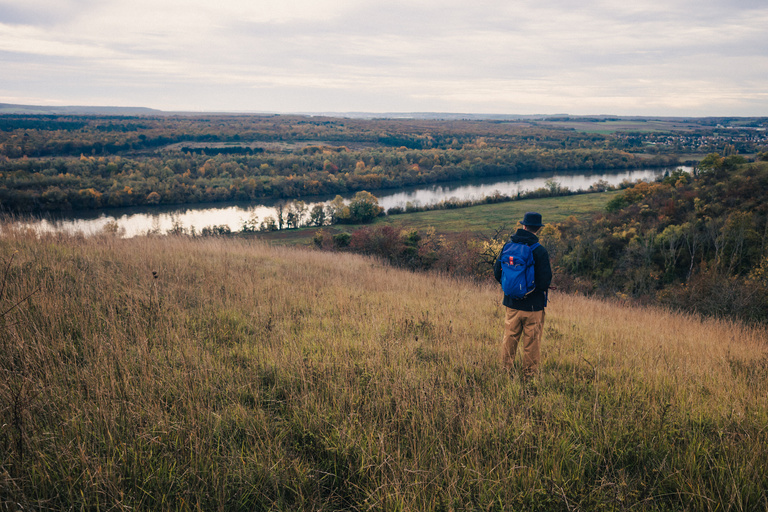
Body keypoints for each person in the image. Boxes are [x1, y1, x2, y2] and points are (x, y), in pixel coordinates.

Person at [493, 212, 552, 377]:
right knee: (531, 343)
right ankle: (528, 376)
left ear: (524, 226)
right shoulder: (539, 251)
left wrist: (513, 289)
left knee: (509, 339)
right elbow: (545, 281)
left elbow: (498, 274)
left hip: (511, 304)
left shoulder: (508, 247)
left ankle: (505, 371)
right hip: (534, 307)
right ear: (538, 229)